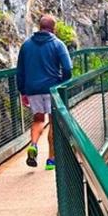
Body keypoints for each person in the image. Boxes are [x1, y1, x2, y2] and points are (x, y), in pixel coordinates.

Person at [16, 15, 73, 170]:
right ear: (54, 28)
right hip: (52, 89)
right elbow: (67, 68)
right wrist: (62, 83)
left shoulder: (26, 45)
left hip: (32, 89)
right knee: (53, 122)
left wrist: (23, 91)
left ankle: (33, 144)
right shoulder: (58, 44)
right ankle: (51, 160)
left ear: (39, 26)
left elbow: (20, 71)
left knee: (38, 119)